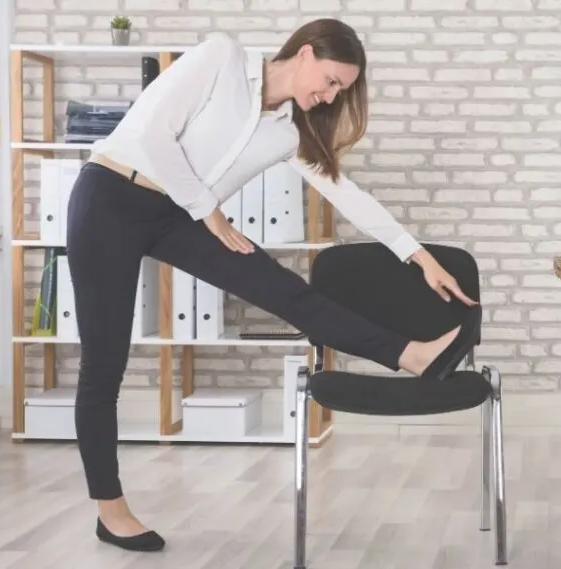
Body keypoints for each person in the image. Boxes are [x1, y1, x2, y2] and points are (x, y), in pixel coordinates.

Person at [65, 18, 482, 552]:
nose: (329, 95)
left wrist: (417, 254)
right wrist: (210, 212)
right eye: (330, 80)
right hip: (111, 197)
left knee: (289, 292)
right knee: (104, 364)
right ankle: (111, 509)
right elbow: (152, 133)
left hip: (181, 215)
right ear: (304, 53)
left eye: (340, 91)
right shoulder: (223, 57)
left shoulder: (289, 131)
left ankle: (413, 356)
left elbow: (343, 190)